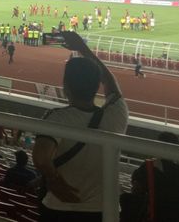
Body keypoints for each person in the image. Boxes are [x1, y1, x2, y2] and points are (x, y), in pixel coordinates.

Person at [32, 31, 128, 221]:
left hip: (60, 208)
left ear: (66, 87)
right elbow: (112, 84)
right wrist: (83, 49)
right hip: (104, 211)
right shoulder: (116, 114)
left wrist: (54, 180)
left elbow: (41, 159)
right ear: (96, 86)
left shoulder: (57, 118)